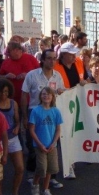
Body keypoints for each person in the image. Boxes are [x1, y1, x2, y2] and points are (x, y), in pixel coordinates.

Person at [21, 49, 66, 181]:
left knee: (52, 144)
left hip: (51, 113)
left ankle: (51, 176)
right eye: (49, 58)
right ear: (43, 60)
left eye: (54, 58)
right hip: (35, 113)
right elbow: (24, 95)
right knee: (33, 144)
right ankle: (32, 173)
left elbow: (62, 94)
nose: (52, 61)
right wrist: (24, 116)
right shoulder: (32, 75)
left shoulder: (58, 76)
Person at [0, 79, 25, 195]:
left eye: (6, 92)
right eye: (1, 92)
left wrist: (18, 126)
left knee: (20, 168)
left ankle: (15, 194)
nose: (4, 94)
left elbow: (17, 119)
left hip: (13, 137)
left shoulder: (13, 103)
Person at [29, 87, 63, 195]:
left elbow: (58, 129)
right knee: (41, 167)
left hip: (51, 145)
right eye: (43, 94)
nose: (46, 96)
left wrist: (54, 143)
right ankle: (35, 184)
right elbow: (32, 130)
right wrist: (39, 144)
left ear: (52, 97)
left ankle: (46, 189)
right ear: (40, 96)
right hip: (39, 144)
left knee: (50, 168)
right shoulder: (36, 111)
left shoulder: (56, 111)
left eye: (48, 94)